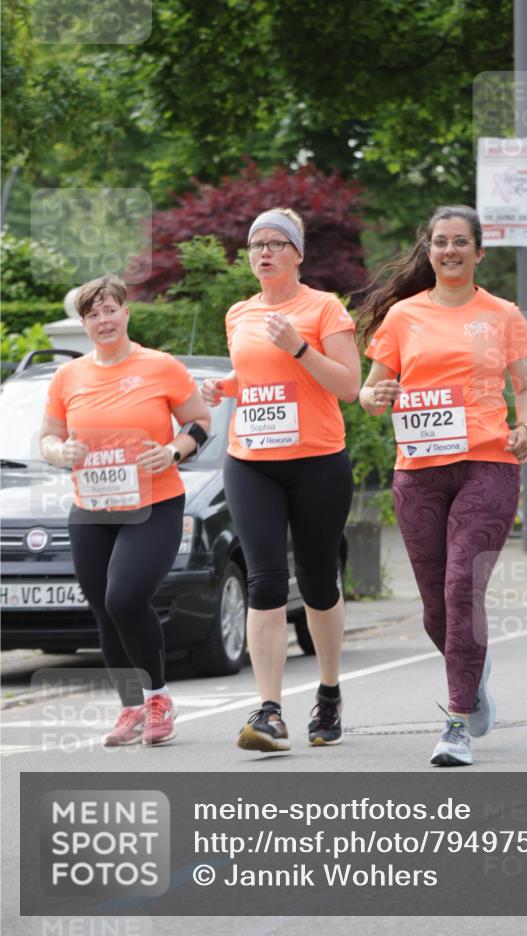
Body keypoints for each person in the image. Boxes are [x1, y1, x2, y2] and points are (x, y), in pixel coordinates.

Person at [358, 205, 527, 767]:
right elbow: (370, 392)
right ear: (430, 250)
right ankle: (474, 670)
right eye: (441, 242)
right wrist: (376, 398)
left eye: (461, 241)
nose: (450, 250)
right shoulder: (403, 317)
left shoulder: (502, 313)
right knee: (436, 609)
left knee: (462, 586)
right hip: (419, 472)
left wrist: (525, 426)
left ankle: (456, 720)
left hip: (488, 463)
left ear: (479, 252)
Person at [201, 207, 360, 753]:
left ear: (298, 253)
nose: (263, 252)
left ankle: (330, 693)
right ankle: (269, 711)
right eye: (255, 244)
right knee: (265, 579)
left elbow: (348, 386)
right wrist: (222, 388)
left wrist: (298, 345)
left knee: (317, 582)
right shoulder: (238, 313)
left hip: (318, 461)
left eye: (275, 243)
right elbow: (253, 377)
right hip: (251, 462)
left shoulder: (324, 308)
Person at [40, 275, 210, 746]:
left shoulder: (160, 366)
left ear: (126, 313)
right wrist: (59, 453)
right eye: (92, 314)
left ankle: (158, 698)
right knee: (103, 608)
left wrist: (174, 451)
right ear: (84, 324)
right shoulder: (67, 376)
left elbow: (199, 421)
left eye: (110, 309)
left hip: (153, 502)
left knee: (125, 597)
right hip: (92, 507)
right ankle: (131, 709)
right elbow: (48, 436)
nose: (103, 320)